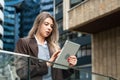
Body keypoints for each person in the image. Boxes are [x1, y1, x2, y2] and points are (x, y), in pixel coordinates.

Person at [15, 12, 77, 80]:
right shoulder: (24, 43)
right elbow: (21, 72)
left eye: (51, 26)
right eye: (46, 24)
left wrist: (69, 66)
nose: (49, 28)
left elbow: (61, 75)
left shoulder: (55, 47)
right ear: (38, 24)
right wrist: (47, 64)